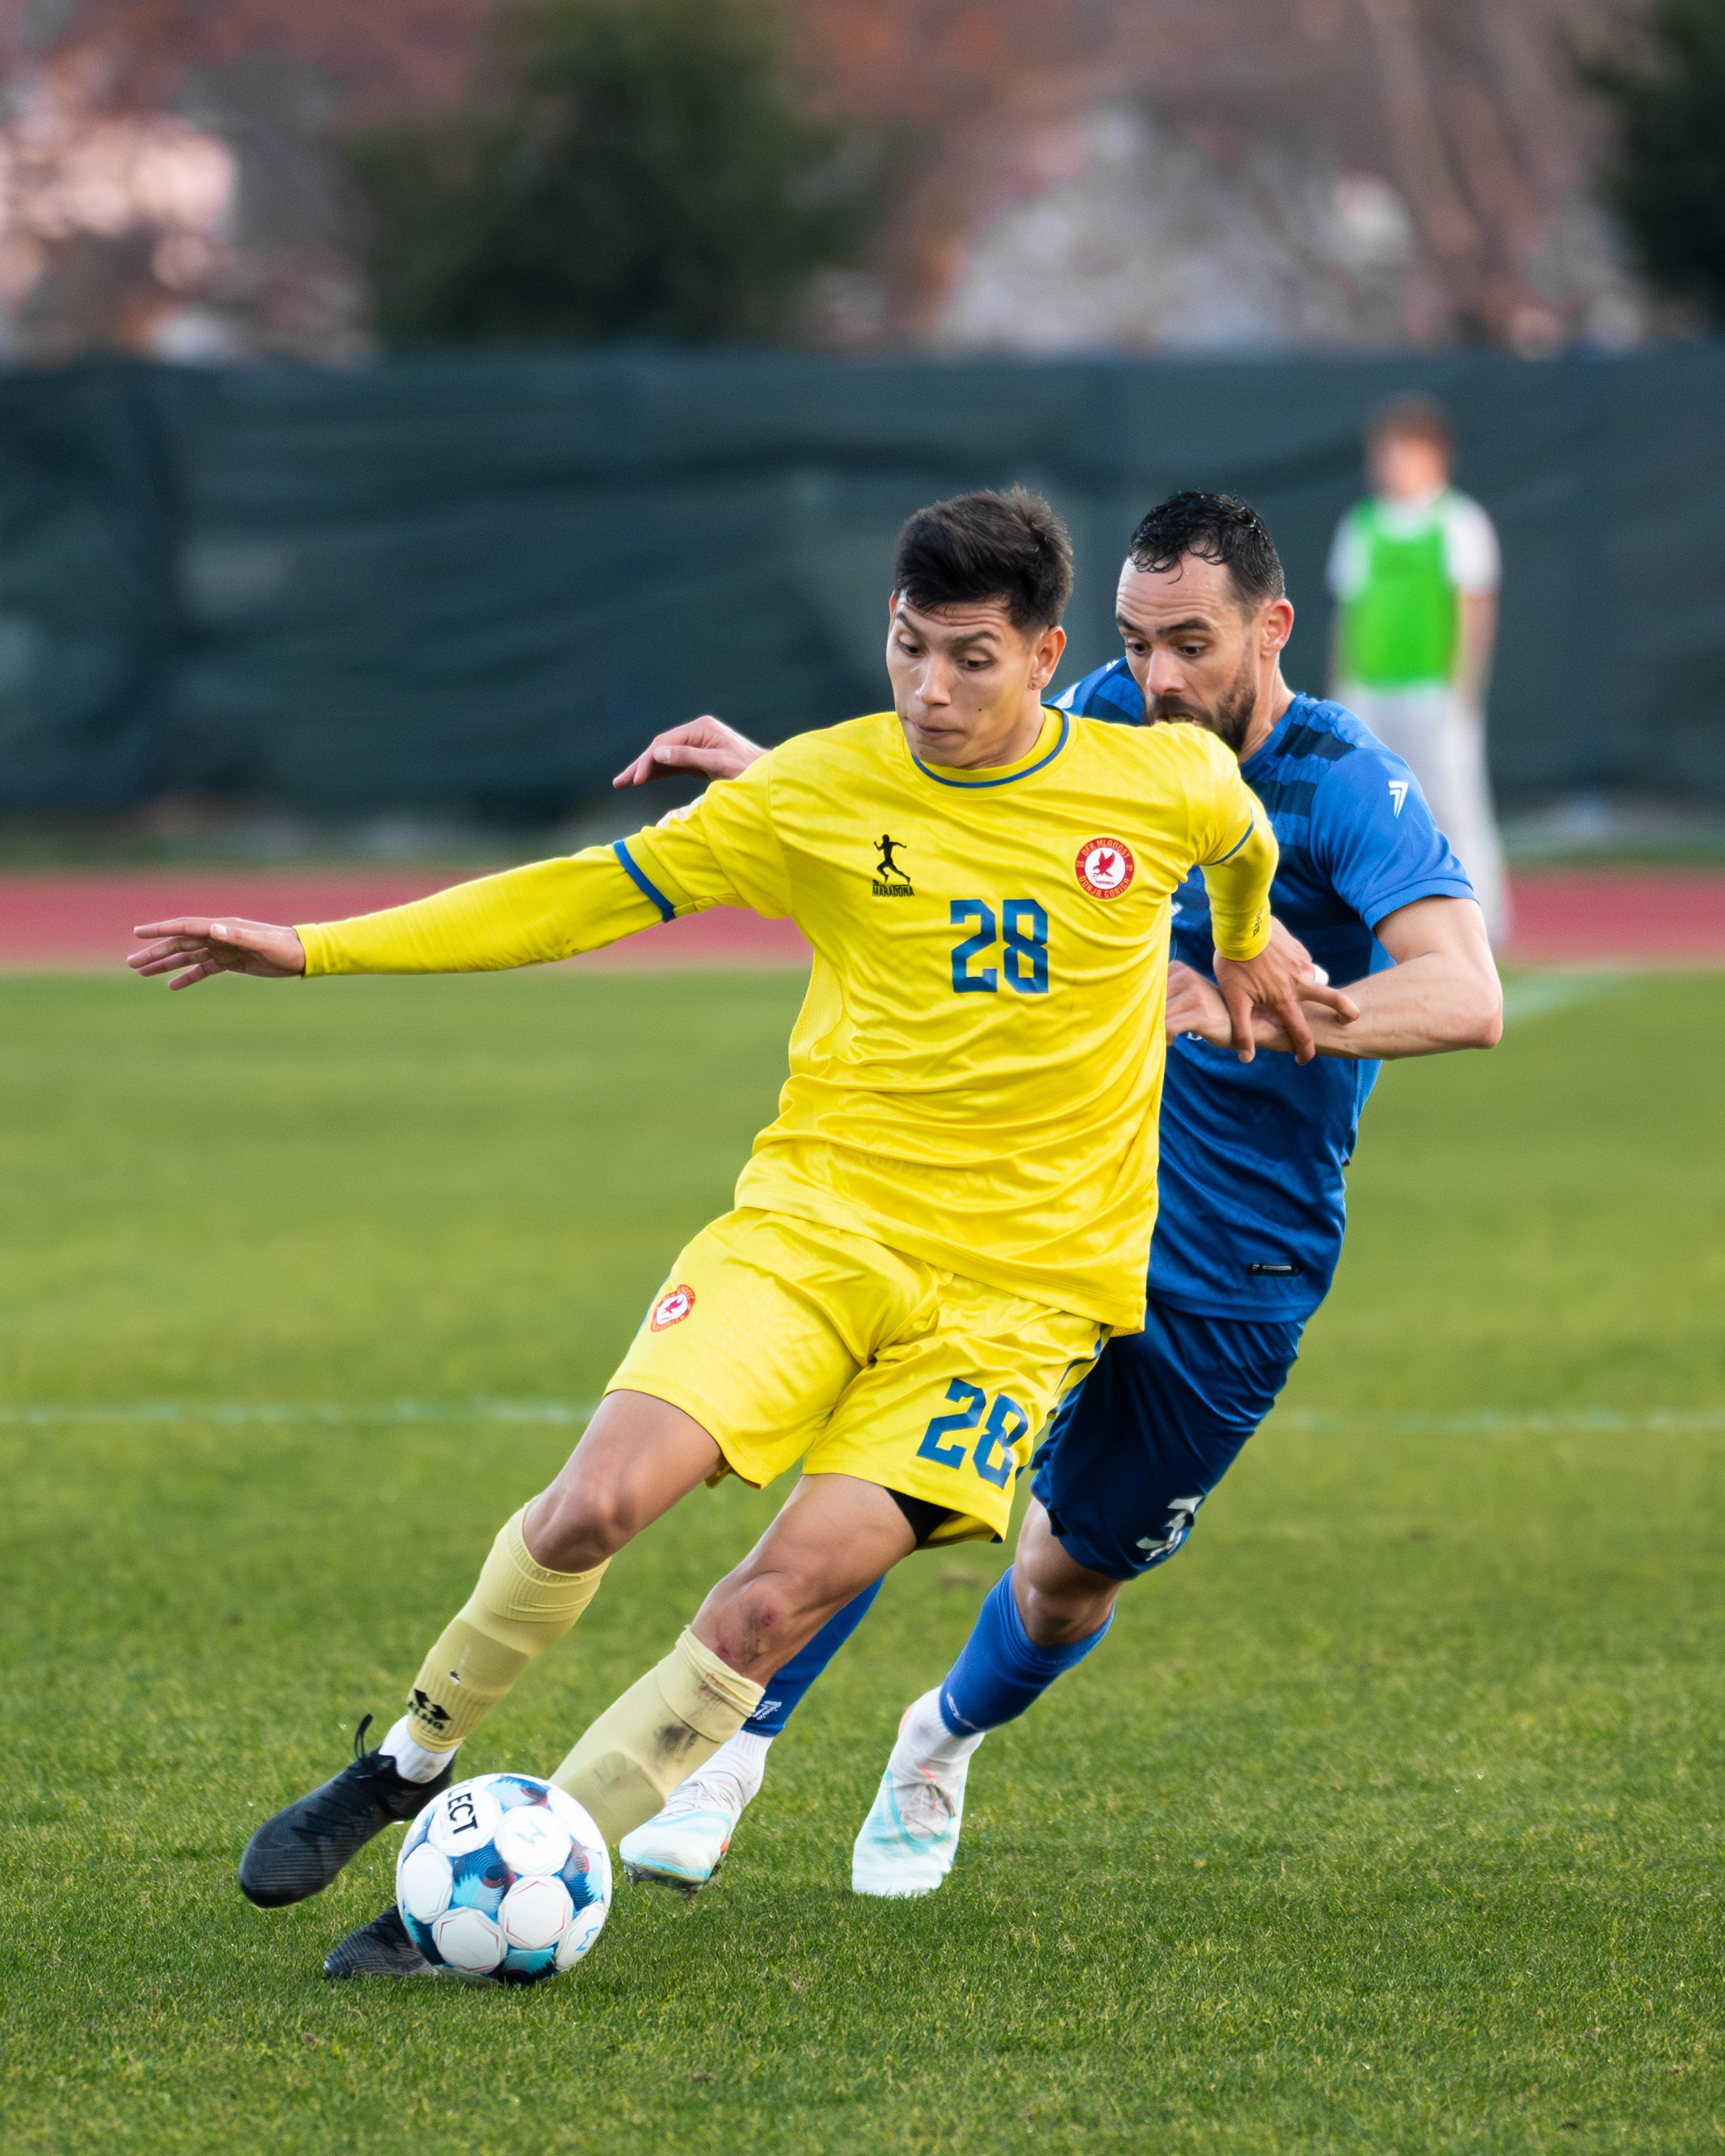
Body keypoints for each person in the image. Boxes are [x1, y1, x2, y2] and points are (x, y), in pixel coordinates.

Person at [130, 488, 1343, 1972]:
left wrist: (1232, 941)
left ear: (1044, 659)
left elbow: (1240, 846)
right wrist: (314, 947)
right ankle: (408, 1761)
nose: (929, 689)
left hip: (1016, 1303)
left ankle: (514, 1884)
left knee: (767, 1603)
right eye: (907, 649)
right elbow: (579, 900)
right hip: (813, 1230)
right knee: (590, 1506)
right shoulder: (822, 791)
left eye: (970, 658)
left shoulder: (1161, 786)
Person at [607, 490, 1503, 1904]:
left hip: (1240, 1257)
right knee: (889, 1482)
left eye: (1191, 644)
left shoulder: (1344, 785)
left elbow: (1465, 994)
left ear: (1269, 628)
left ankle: (939, 1738)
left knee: (1066, 1576)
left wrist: (1249, 1013)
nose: (1156, 680)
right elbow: (941, 824)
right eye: (1137, 641)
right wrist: (787, 781)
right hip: (1047, 1197)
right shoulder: (1091, 717)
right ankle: (728, 1746)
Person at [1327, 393, 1510, 945]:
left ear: (1434, 456)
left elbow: (1474, 610)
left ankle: (1485, 926)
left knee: (1455, 808)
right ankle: (1366, 923)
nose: (1386, 465)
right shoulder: (1361, 523)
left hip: (1434, 691)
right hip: (1370, 691)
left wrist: (1463, 692)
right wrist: (1342, 692)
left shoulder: (1460, 521)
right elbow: (1348, 611)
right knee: (1364, 807)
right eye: (1381, 454)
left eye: (1399, 453)